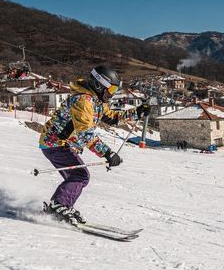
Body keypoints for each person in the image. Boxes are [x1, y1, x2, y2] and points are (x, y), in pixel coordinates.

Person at [38, 65, 150, 224]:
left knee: (78, 176)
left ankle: (62, 205)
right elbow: (85, 135)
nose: (111, 94)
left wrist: (137, 112)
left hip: (63, 144)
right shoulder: (84, 101)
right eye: (110, 89)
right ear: (100, 84)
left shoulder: (96, 100)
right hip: (55, 143)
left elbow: (112, 118)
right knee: (80, 175)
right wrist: (107, 153)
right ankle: (59, 205)